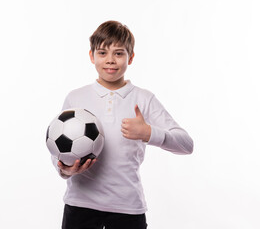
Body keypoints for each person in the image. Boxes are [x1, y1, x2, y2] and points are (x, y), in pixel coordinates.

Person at [51, 20, 194, 229]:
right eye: (102, 53)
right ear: (91, 56)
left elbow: (187, 145)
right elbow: (58, 152)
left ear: (131, 57)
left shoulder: (144, 99)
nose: (110, 60)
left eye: (118, 53)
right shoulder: (75, 98)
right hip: (79, 206)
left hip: (127, 209)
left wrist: (149, 133)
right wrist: (66, 170)